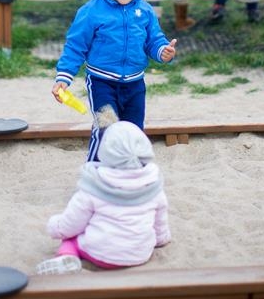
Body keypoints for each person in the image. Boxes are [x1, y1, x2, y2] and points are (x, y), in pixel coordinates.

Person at [52, 0, 177, 162]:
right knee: (106, 129)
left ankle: (130, 171)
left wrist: (162, 51)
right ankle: (95, 168)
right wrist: (64, 77)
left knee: (133, 131)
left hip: (135, 84)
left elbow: (153, 40)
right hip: (102, 82)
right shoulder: (91, 12)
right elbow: (75, 46)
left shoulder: (145, 11)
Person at [36, 108, 171, 274]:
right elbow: (160, 221)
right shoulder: (153, 184)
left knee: (71, 239)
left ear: (105, 150)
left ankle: (66, 256)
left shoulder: (95, 185)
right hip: (140, 254)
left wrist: (55, 226)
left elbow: (71, 224)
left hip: (100, 254)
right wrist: (161, 238)